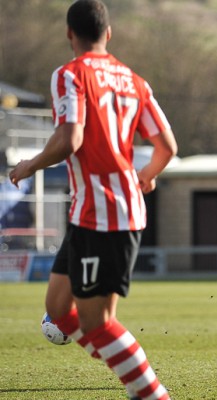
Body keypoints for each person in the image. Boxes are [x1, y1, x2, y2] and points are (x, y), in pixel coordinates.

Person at [9, 1, 177, 399]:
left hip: (106, 214)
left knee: (98, 322)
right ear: (109, 32)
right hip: (93, 211)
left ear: (70, 33)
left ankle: (153, 393)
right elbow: (166, 146)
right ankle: (128, 368)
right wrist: (144, 178)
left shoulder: (70, 74)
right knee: (60, 308)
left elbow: (71, 139)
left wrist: (30, 164)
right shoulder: (134, 81)